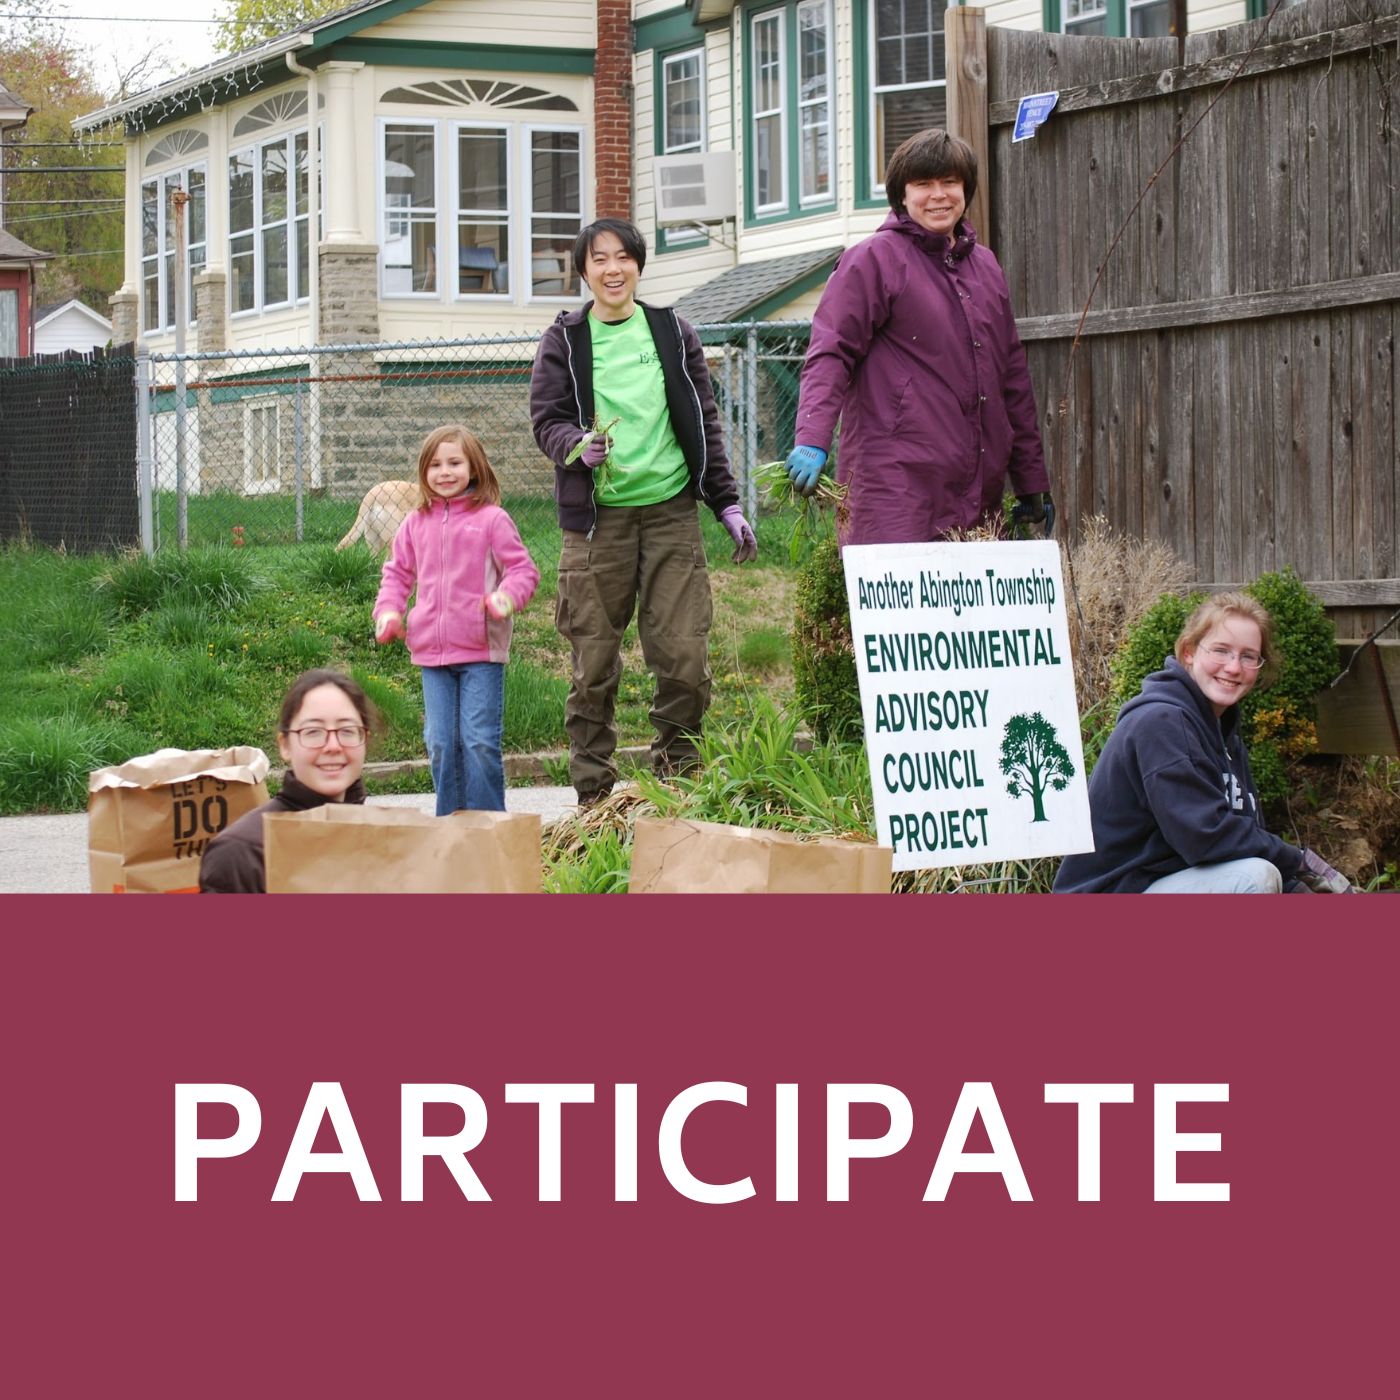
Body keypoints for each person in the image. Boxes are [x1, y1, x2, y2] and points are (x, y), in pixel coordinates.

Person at [530, 217, 758, 808]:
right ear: (583, 271)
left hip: (670, 516)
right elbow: (546, 420)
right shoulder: (565, 340)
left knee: (683, 656)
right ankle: (595, 799)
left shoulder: (671, 332)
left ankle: (678, 784)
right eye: (599, 259)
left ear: (638, 265)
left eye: (623, 257)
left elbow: (701, 421)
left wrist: (726, 502)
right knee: (594, 662)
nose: (612, 268)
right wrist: (577, 446)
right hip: (596, 523)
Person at [784, 128, 1052, 545]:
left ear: (966, 189)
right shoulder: (873, 260)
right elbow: (831, 353)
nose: (939, 195)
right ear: (902, 196)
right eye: (924, 184)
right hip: (895, 490)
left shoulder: (985, 267)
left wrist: (1030, 475)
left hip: (978, 487)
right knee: (900, 611)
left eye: (949, 182)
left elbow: (1011, 376)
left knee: (976, 612)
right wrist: (812, 438)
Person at [1053, 594, 1357, 894]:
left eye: (1248, 656)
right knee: (1254, 878)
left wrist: (1300, 888)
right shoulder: (1160, 724)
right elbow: (1205, 837)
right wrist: (1299, 861)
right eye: (1221, 651)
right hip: (1110, 894)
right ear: (1189, 652)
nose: (1234, 667)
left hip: (1162, 886)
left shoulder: (1225, 738)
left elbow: (1247, 842)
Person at [373, 424, 540, 815]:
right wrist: (389, 612)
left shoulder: (492, 519)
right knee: (441, 743)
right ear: (423, 472)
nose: (444, 472)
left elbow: (523, 572)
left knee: (479, 740)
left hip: (481, 651)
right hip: (432, 653)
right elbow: (397, 574)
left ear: (474, 468)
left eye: (454, 463)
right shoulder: (415, 523)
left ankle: (488, 832)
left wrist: (505, 598)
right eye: (435, 465)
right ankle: (449, 830)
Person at [199, 669, 374, 894]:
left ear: (364, 741)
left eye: (348, 731)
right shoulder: (241, 854)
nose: (333, 745)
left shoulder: (385, 841)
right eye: (313, 732)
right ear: (285, 745)